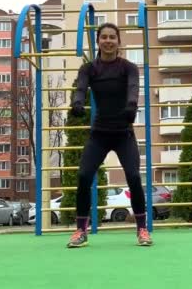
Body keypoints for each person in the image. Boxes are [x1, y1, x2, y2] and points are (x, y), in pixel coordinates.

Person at [66, 22, 152, 248]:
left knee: (134, 177)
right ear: (98, 42)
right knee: (84, 176)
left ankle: (142, 229)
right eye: (103, 37)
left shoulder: (128, 68)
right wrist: (77, 102)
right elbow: (81, 88)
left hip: (123, 132)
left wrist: (132, 105)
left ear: (118, 41)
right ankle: (80, 231)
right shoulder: (89, 69)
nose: (108, 41)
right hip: (99, 134)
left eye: (112, 37)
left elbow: (133, 87)